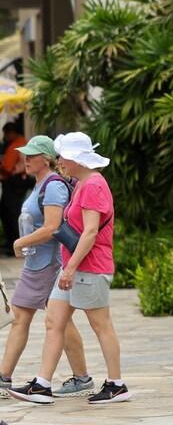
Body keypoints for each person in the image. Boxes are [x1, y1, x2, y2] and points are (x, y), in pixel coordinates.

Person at [9, 133, 125, 405]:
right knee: (54, 320)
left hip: (90, 267)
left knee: (101, 324)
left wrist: (70, 268)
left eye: (62, 156)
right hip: (75, 266)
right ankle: (42, 384)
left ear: (75, 158)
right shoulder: (83, 183)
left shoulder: (93, 185)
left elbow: (90, 232)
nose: (59, 160)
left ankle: (117, 384)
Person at [1, 135, 91, 396]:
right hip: (37, 264)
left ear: (45, 159)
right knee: (29, 317)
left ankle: (81, 377)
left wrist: (20, 242)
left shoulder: (52, 186)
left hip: (49, 264)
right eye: (24, 155)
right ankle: (4, 376)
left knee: (53, 320)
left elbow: (53, 228)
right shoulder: (41, 184)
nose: (25, 160)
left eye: (31, 156)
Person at [0, 120, 33, 255]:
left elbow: (9, 168)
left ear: (11, 133)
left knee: (12, 213)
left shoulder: (18, 144)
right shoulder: (17, 143)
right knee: (6, 212)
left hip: (16, 183)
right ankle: (12, 242)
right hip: (12, 182)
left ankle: (16, 243)